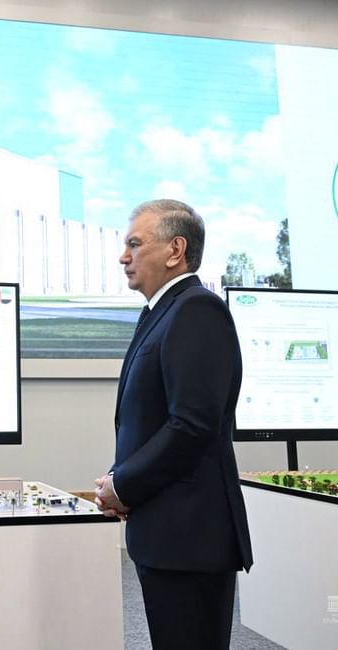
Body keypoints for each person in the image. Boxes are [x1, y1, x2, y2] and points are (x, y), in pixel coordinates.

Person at [94, 199, 253, 650]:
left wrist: (125, 485)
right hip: (167, 531)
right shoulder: (162, 312)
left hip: (190, 536)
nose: (123, 256)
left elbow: (192, 426)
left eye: (134, 244)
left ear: (175, 250)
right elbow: (151, 421)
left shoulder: (196, 310)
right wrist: (119, 477)